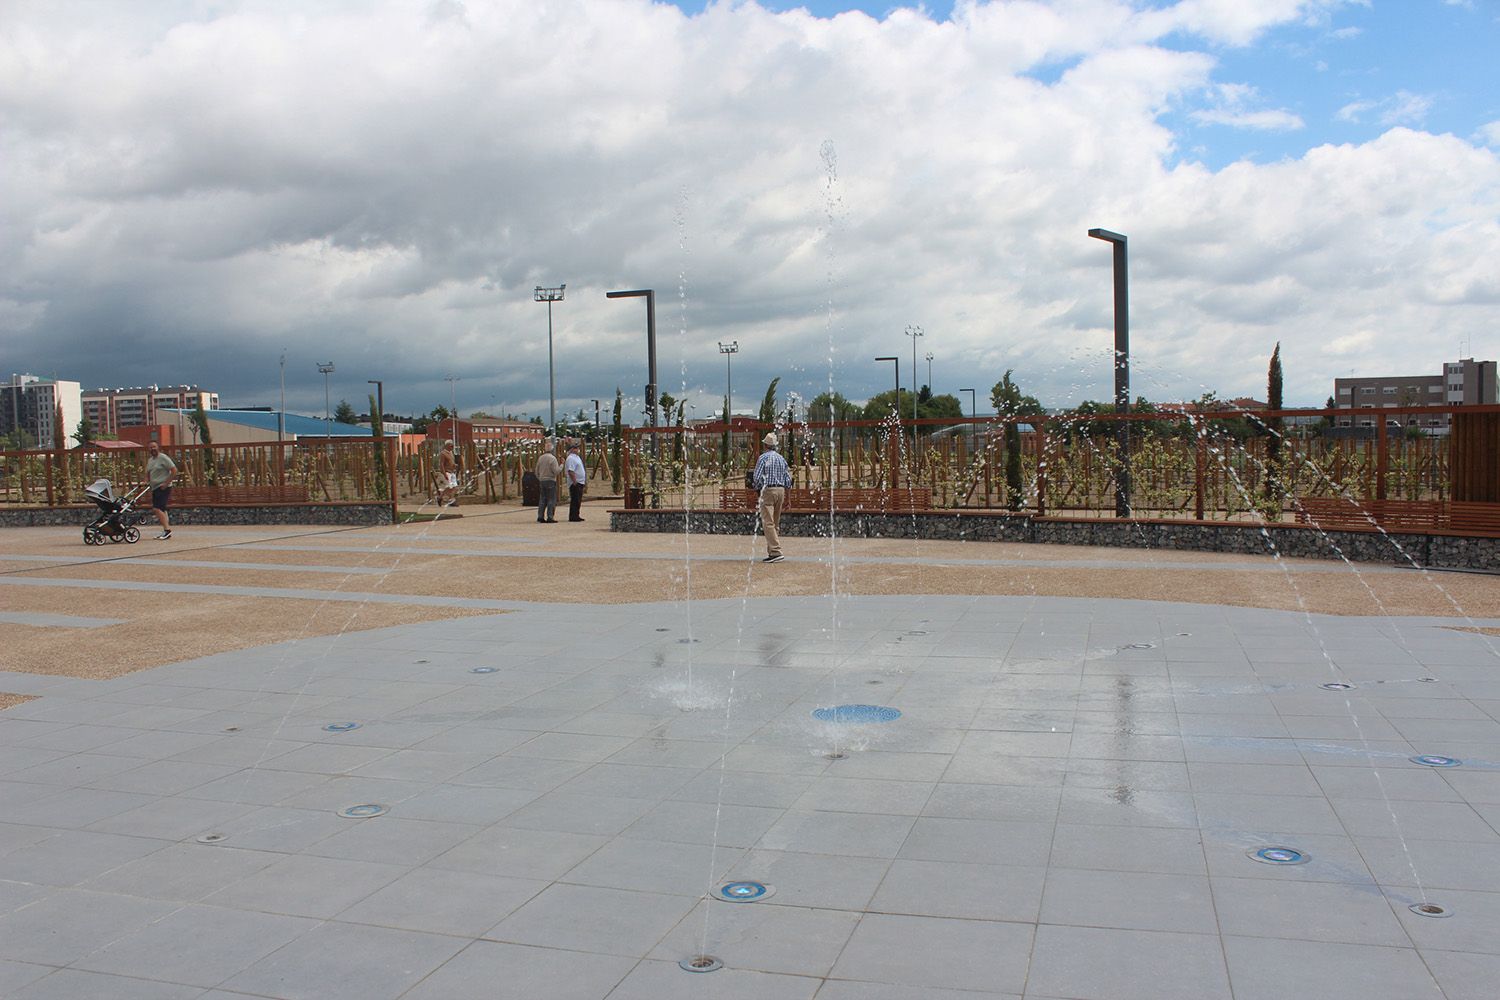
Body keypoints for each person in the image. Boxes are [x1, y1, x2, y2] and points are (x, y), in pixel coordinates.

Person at [752, 431, 791, 563]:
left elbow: (757, 477)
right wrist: (788, 499)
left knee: (768, 522)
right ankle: (772, 552)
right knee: (775, 522)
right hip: (781, 490)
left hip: (768, 489)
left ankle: (776, 551)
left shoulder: (763, 458)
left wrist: (758, 492)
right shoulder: (781, 458)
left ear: (765, 445)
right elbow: (788, 479)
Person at [145, 440, 177, 540]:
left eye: (154, 447)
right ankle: (165, 530)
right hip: (154, 487)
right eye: (150, 447)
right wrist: (145, 481)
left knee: (157, 509)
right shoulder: (150, 460)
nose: (152, 449)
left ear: (158, 447)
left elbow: (174, 470)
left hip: (163, 487)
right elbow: (148, 473)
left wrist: (166, 483)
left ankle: (167, 530)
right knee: (161, 509)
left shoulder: (163, 458)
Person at [535, 440, 560, 523]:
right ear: (552, 450)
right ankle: (550, 517)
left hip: (542, 480)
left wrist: (540, 478)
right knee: (551, 499)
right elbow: (556, 471)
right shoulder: (553, 459)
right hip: (551, 480)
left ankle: (540, 516)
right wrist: (562, 466)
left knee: (542, 499)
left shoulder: (540, 458)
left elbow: (536, 471)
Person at [564, 441, 587, 522]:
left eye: (577, 448)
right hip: (575, 482)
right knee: (575, 499)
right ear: (571, 449)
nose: (577, 449)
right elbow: (571, 471)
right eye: (575, 448)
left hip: (580, 482)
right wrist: (574, 481)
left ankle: (576, 514)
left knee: (578, 499)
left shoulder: (577, 457)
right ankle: (573, 516)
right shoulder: (571, 458)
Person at [438, 440, 459, 507]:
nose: (452, 447)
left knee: (455, 487)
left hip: (452, 472)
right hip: (447, 472)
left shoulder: (451, 452)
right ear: (447, 446)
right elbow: (441, 464)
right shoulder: (443, 453)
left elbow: (451, 461)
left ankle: (449, 499)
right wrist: (444, 474)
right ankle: (442, 498)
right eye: (451, 446)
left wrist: (454, 465)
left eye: (453, 446)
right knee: (450, 487)